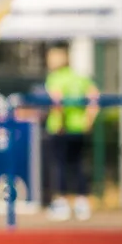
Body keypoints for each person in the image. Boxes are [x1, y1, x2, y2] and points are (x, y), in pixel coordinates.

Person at [44, 45, 100, 221]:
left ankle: (62, 203)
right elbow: (94, 98)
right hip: (79, 127)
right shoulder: (80, 78)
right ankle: (82, 203)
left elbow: (57, 102)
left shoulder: (55, 78)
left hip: (61, 128)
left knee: (60, 165)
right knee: (78, 165)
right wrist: (89, 119)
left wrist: (60, 122)